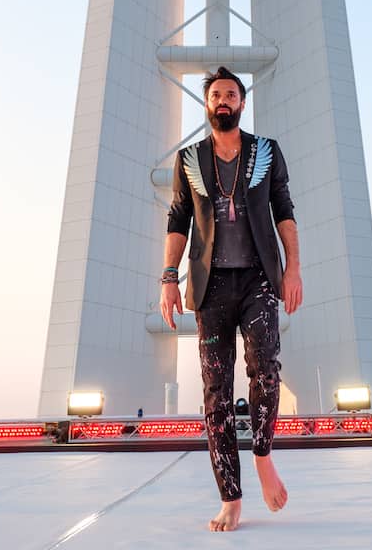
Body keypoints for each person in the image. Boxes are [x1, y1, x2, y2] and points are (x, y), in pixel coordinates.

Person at [160, 66, 303, 532]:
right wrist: (167, 277)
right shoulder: (189, 160)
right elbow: (179, 218)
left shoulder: (266, 151)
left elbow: (283, 209)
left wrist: (293, 267)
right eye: (216, 94)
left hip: (260, 279)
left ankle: (262, 454)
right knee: (216, 392)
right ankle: (231, 498)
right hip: (210, 285)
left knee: (266, 370)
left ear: (242, 102)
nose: (223, 100)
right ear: (207, 104)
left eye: (231, 94)